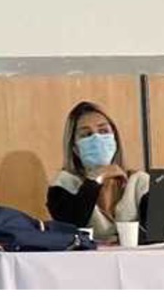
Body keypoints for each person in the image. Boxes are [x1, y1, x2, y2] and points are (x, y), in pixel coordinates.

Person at [47, 101, 148, 242]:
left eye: (103, 131)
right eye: (86, 134)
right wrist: (95, 178)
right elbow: (72, 224)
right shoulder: (63, 185)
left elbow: (158, 229)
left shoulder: (140, 182)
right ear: (75, 148)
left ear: (115, 139)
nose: (96, 138)